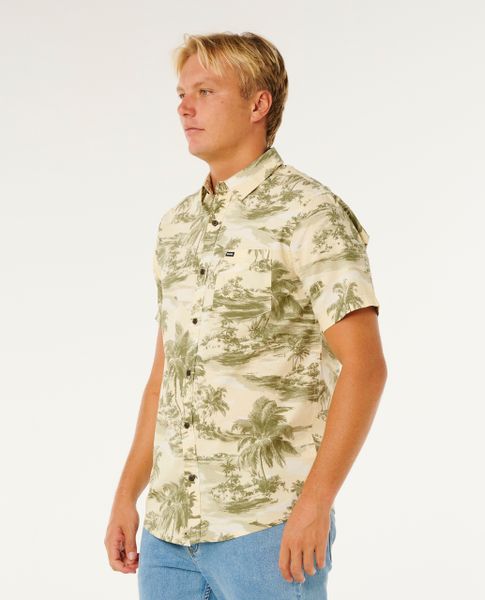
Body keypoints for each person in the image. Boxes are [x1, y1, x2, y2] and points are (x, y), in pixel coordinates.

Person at [104, 31, 387, 600]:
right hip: (168, 535)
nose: (184, 108)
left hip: (268, 531)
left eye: (205, 91)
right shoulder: (176, 226)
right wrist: (126, 495)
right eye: (181, 94)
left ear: (258, 104)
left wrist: (316, 504)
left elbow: (366, 367)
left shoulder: (310, 213)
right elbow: (166, 378)